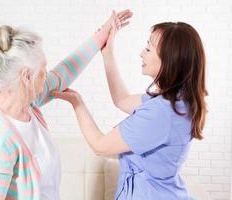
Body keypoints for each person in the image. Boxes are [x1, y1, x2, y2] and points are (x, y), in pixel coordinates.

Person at [0, 10, 132, 200]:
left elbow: (64, 72)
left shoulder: (26, 102)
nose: (48, 75)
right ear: (26, 77)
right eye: (43, 70)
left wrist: (104, 33)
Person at [51, 12, 208, 200]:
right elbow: (122, 99)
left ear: (169, 60)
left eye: (148, 49)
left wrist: (76, 102)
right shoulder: (177, 102)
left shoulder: (160, 112)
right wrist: (108, 53)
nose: (142, 53)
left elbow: (100, 146)